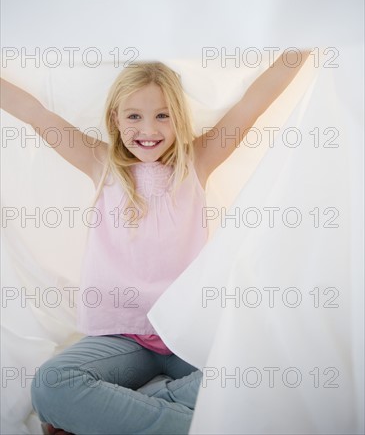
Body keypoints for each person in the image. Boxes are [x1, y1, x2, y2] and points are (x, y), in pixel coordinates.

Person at [0, 53, 310, 435]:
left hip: (187, 337)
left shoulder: (198, 160)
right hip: (122, 339)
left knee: (263, 376)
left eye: (163, 115)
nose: (148, 128)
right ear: (115, 119)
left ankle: (127, 413)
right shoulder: (102, 164)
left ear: (179, 119)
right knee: (52, 385)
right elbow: (34, 113)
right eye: (134, 116)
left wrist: (305, 43)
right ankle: (181, 419)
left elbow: (254, 102)